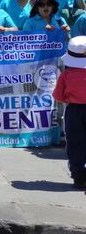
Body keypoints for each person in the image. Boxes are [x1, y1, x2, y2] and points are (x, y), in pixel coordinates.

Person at [52, 36, 86, 189]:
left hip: (74, 111)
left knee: (75, 144)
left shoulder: (66, 75)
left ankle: (78, 177)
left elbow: (58, 96)